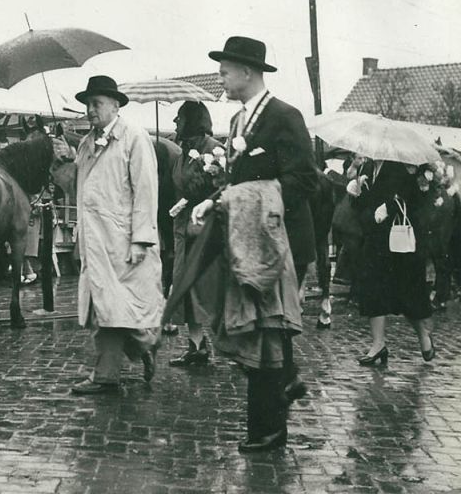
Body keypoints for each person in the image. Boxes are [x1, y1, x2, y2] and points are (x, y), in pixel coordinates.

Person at [192, 36, 318, 451]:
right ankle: (281, 394)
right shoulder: (236, 123)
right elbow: (236, 184)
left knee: (267, 335)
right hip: (247, 245)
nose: (221, 79)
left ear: (247, 72)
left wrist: (254, 199)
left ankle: (271, 425)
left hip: (277, 246)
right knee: (260, 336)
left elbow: (304, 180)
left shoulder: (284, 116)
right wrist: (214, 201)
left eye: (225, 71)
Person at [70, 75, 163, 395]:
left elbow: (146, 189)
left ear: (115, 105)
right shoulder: (85, 144)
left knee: (117, 309)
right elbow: (81, 189)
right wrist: (62, 160)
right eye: (87, 105)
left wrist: (142, 238)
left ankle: (115, 368)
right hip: (96, 242)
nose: (90, 110)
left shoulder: (134, 138)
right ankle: (136, 353)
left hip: (122, 241)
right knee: (103, 309)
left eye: (96, 104)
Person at [346, 158, 435, 365]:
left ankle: (423, 335)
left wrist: (388, 207)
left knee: (404, 294)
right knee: (373, 290)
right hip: (375, 240)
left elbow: (411, 197)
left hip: (398, 241)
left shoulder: (400, 166)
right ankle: (378, 345)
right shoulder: (367, 168)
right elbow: (362, 207)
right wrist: (357, 194)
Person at [166, 101, 223, 366]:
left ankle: (230, 344)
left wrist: (198, 194)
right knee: (184, 286)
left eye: (179, 118)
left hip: (206, 231)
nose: (176, 123)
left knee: (208, 290)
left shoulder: (213, 149)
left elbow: (221, 188)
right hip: (182, 229)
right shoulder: (182, 152)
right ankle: (196, 346)